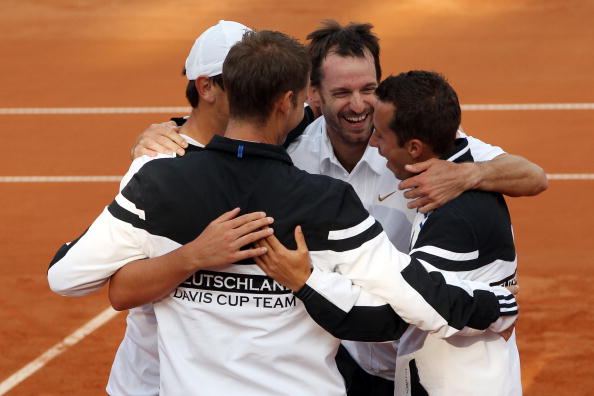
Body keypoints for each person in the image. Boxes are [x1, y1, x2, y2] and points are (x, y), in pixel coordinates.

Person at [49, 29, 518, 396]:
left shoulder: (156, 180)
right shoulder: (326, 201)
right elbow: (396, 311)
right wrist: (493, 305)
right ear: (290, 101)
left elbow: (65, 277)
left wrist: (192, 256)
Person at [47, 20, 276, 396]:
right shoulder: (157, 165)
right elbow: (89, 283)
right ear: (206, 87)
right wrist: (194, 256)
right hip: (153, 381)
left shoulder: (277, 132)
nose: (264, 94)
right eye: (247, 81)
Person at [369, 70, 521, 395]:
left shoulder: (453, 215)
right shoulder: (458, 171)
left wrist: (308, 279)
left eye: (380, 135)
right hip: (477, 372)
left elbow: (414, 303)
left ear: (413, 148)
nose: (373, 143)